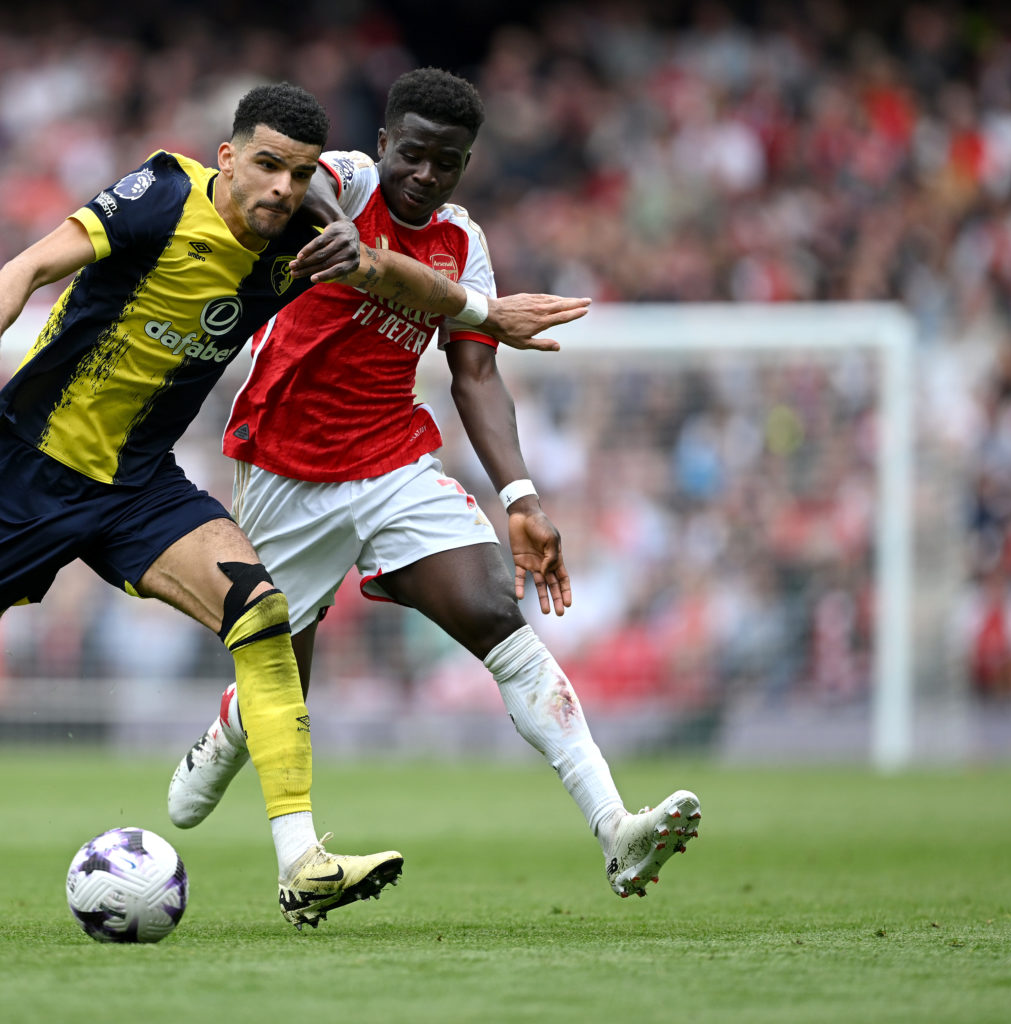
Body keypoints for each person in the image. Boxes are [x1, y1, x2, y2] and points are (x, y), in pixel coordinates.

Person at [0, 82, 560, 929]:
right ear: (228, 157)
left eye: (295, 175)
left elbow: (388, 275)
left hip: (138, 485)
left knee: (261, 610)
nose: (280, 190)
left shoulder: (304, 237)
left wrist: (481, 313)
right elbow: (28, 265)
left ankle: (302, 861)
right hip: (25, 476)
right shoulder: (160, 195)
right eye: (265, 167)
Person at [166, 68, 701, 899]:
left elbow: (477, 376)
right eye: (412, 154)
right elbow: (303, 201)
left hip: (393, 462)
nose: (424, 174)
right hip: (284, 468)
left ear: (464, 164)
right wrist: (351, 232)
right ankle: (232, 733)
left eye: (445, 163)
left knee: (495, 610)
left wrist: (521, 497)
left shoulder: (462, 242)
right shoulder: (341, 178)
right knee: (280, 678)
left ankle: (615, 828)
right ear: (384, 145)